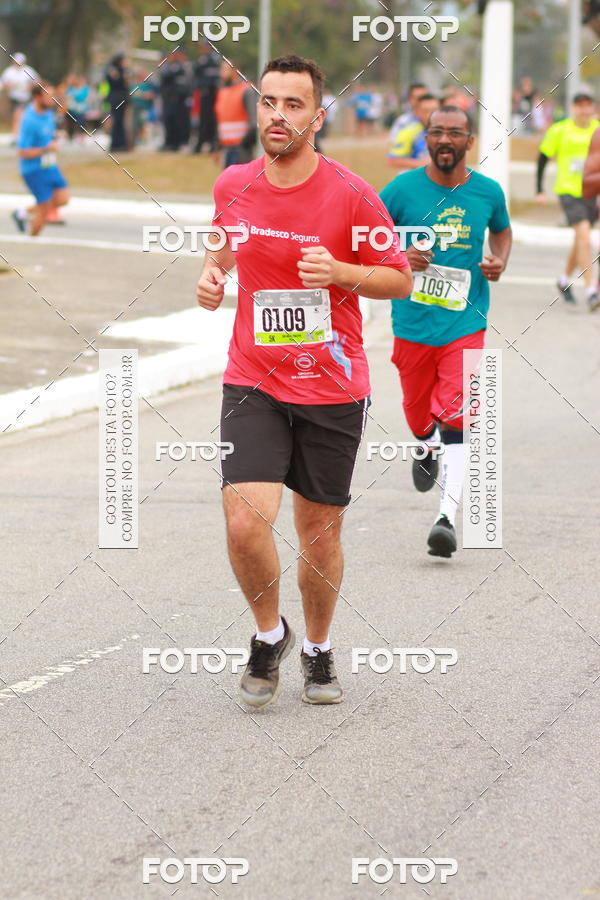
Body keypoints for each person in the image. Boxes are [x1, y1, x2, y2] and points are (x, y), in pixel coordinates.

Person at [196, 55, 412, 707]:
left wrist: (342, 271)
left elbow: (399, 277)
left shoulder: (351, 194)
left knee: (319, 535)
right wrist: (211, 278)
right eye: (269, 102)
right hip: (253, 379)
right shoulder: (232, 182)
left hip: (332, 386)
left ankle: (317, 650)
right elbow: (221, 246)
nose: (278, 115)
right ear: (256, 108)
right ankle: (270, 636)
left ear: (318, 117)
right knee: (243, 521)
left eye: (294, 105)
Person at [380, 105, 512, 558]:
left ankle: (445, 518)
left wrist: (499, 262)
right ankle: (423, 443)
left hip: (465, 322)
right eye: (436, 131)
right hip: (413, 324)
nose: (444, 139)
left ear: (469, 142)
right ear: (427, 140)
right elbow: (368, 236)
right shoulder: (401, 190)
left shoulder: (488, 192)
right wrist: (399, 253)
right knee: (419, 412)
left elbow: (502, 232)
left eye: (454, 133)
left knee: (458, 413)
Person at [536, 90, 600, 310]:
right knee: (583, 233)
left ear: (593, 108)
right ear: (574, 108)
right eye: (580, 105)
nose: (584, 110)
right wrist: (539, 189)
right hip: (568, 190)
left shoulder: (597, 130)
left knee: (580, 240)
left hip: (592, 192)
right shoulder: (560, 130)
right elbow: (543, 158)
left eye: (588, 105)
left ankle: (564, 280)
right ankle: (592, 289)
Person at [12, 83, 69, 237]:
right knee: (44, 211)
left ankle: (22, 212)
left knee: (62, 199)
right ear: (37, 97)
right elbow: (22, 152)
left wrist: (55, 137)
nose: (52, 99)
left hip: (49, 165)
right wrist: (46, 149)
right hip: (33, 170)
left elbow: (47, 135)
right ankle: (31, 243)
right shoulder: (29, 120)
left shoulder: (48, 113)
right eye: (49, 96)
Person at [214, 61, 256, 168]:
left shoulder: (246, 90)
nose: (221, 73)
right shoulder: (222, 92)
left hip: (241, 150)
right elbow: (220, 122)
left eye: (224, 70)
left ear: (235, 70)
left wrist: (245, 145)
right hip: (227, 149)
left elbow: (254, 123)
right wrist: (217, 148)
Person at [388, 93, 439, 170]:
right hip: (419, 177)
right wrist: (420, 163)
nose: (431, 114)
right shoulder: (409, 132)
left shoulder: (448, 130)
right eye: (426, 111)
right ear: (417, 112)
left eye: (434, 110)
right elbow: (393, 160)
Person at [0, 52, 39, 142]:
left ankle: (22, 136)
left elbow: (37, 81)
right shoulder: (9, 72)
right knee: (17, 116)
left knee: (25, 117)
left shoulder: (28, 71)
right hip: (15, 98)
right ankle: (16, 136)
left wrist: (29, 87)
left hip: (26, 98)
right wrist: (9, 86)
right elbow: (3, 84)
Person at [159, 49, 191, 152]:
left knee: (181, 122)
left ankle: (181, 142)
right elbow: (165, 77)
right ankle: (170, 142)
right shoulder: (170, 67)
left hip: (181, 99)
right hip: (169, 99)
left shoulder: (183, 67)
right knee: (169, 121)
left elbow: (186, 83)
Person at [193, 42, 221, 153]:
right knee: (204, 119)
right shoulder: (203, 60)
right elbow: (195, 71)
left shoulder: (213, 59)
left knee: (212, 119)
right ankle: (203, 142)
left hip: (213, 93)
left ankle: (212, 143)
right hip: (205, 93)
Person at [106, 53, 129, 152]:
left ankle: (122, 144)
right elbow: (117, 80)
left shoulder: (124, 70)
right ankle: (116, 144)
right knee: (117, 121)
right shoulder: (113, 70)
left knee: (121, 122)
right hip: (116, 98)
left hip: (122, 98)